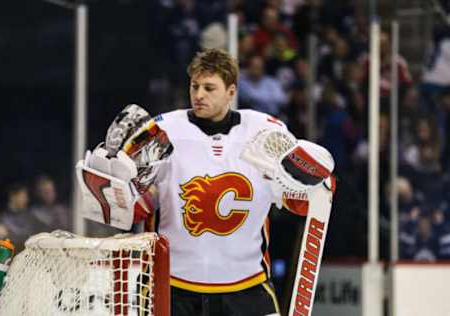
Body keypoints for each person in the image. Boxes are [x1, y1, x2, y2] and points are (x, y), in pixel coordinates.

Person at [78, 48, 335, 315]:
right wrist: (116, 187)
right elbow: (136, 208)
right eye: (195, 86)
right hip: (171, 287)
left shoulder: (266, 132)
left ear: (231, 91)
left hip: (247, 287)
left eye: (209, 88)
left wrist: (314, 183)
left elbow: (302, 201)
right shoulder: (162, 131)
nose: (199, 95)